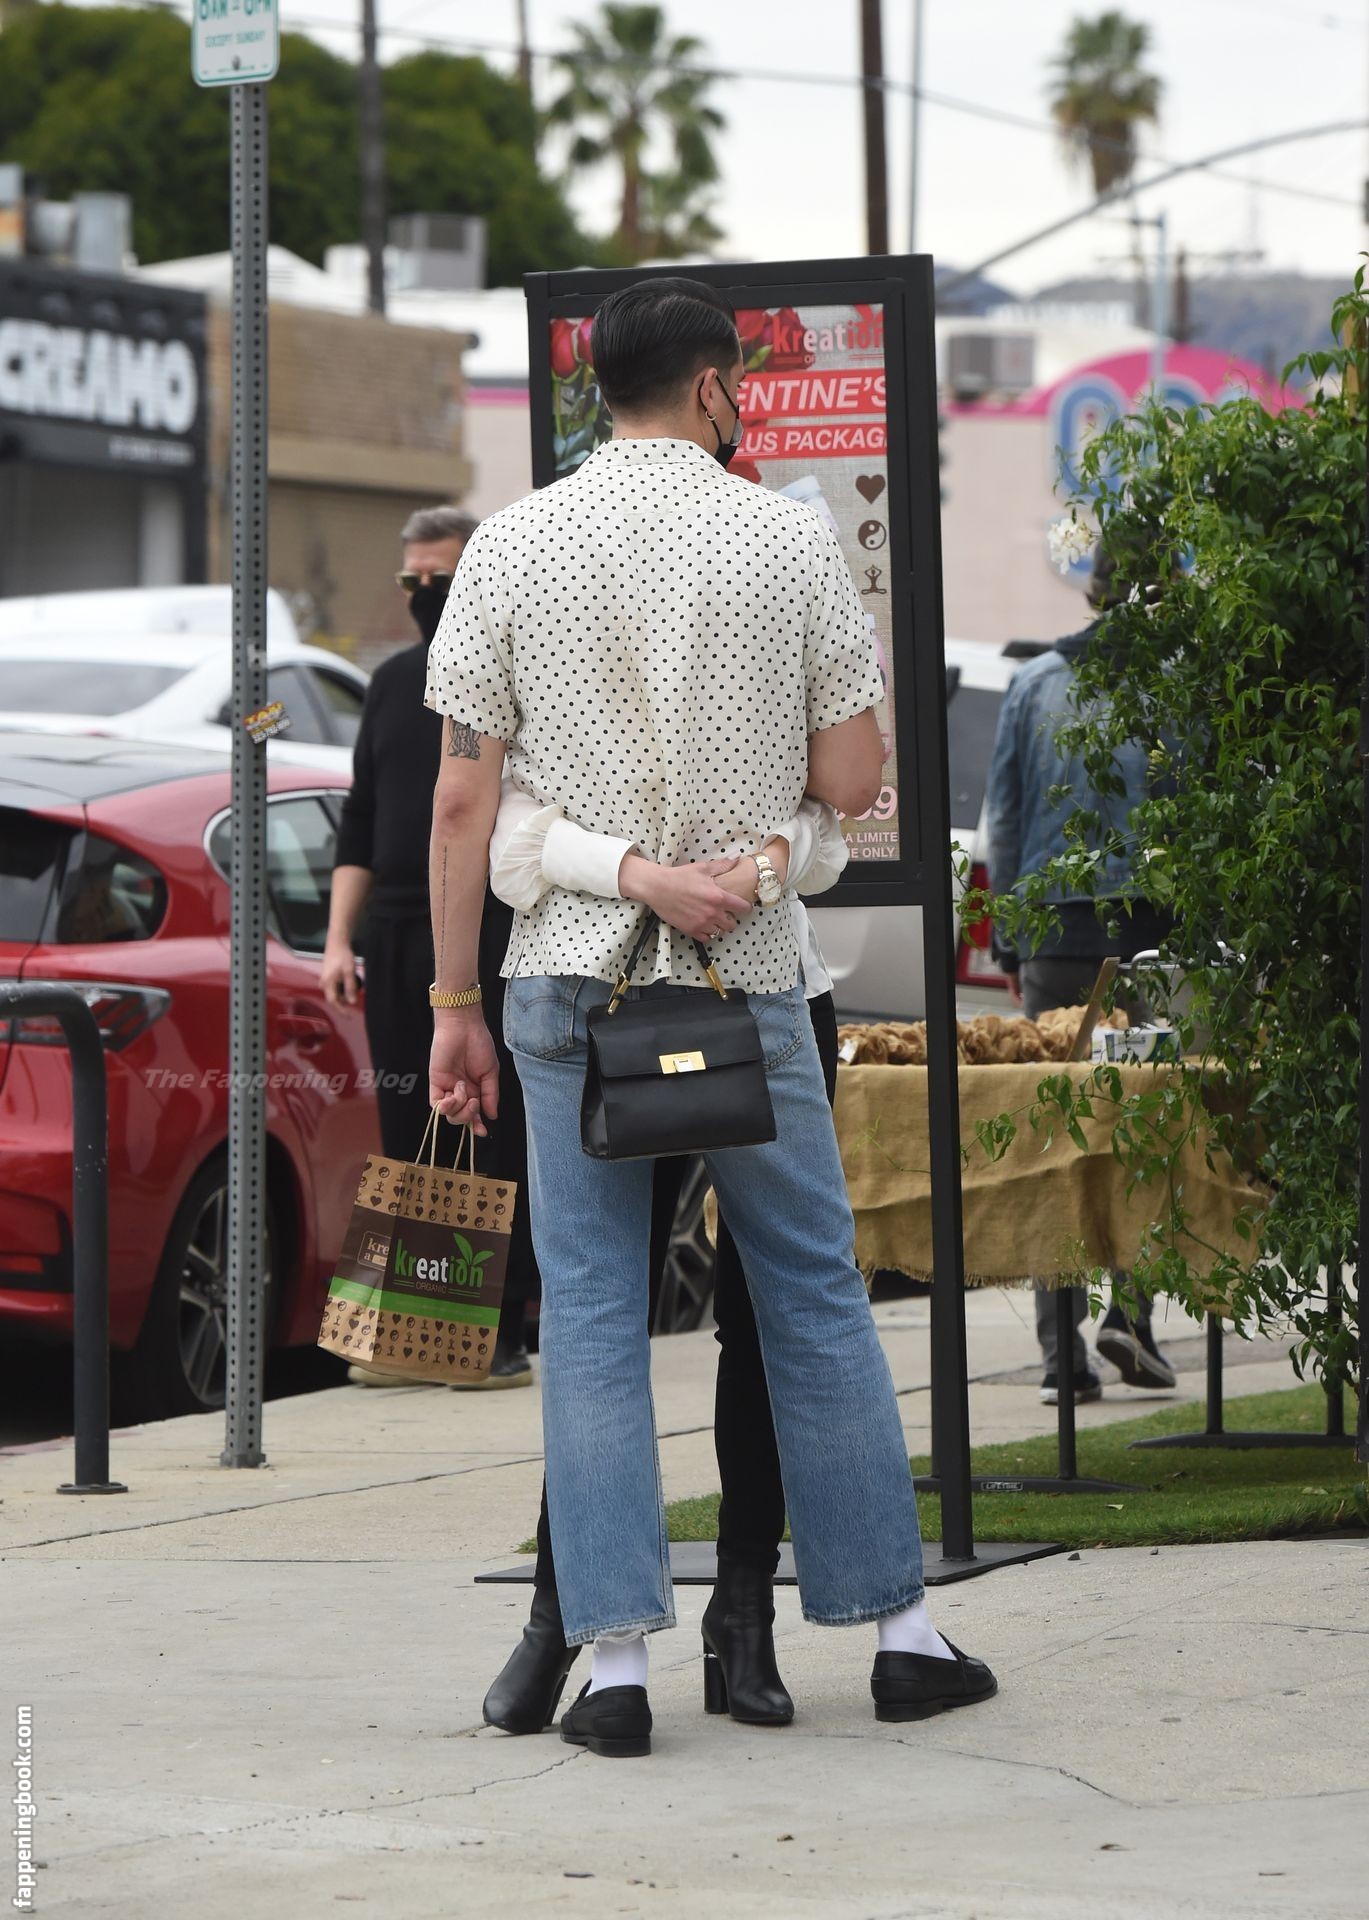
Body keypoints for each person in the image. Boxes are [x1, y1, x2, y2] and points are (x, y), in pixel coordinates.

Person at [422, 276, 996, 1758]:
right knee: (809, 1293)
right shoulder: (785, 538)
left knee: (592, 1314)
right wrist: (763, 839)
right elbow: (855, 778)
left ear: (595, 390)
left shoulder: (510, 545)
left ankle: (615, 1665)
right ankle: (899, 1634)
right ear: (713, 387)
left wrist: (451, 1000)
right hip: (746, 973)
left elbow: (462, 804)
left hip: (568, 971)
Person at [478, 786, 846, 1736]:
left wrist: (764, 865)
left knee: (760, 1314)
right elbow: (500, 818)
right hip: (602, 979)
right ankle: (565, 1613)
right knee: (600, 1313)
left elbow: (837, 801)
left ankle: (744, 1610)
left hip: (762, 977)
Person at [322, 504, 538, 1389]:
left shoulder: (505, 668)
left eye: (438, 578)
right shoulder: (389, 682)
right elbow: (361, 818)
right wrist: (338, 938)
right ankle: (409, 1334)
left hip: (486, 923)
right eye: (409, 579)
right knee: (407, 1124)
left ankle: (496, 1334)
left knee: (490, 1124)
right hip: (395, 931)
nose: (422, 593)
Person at [985, 546, 1178, 1407]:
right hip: (1150, 933)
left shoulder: (1034, 682)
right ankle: (1130, 1314)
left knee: (1053, 1137)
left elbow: (1003, 816)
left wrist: (1008, 938)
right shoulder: (1178, 687)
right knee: (1146, 1127)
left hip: (1053, 934)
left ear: (1094, 592)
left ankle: (1058, 1353)